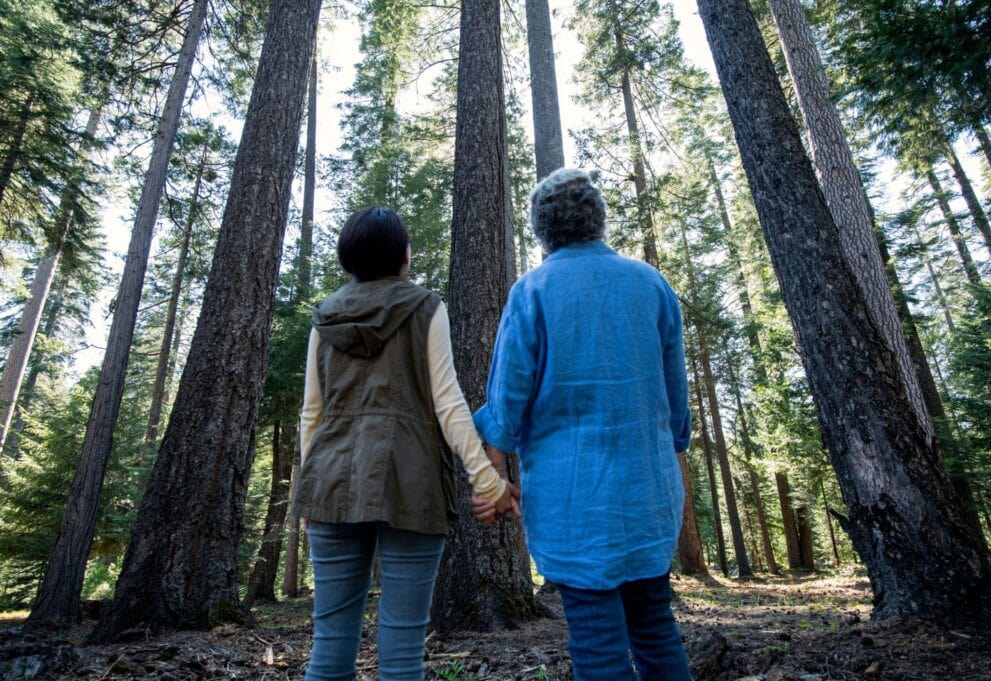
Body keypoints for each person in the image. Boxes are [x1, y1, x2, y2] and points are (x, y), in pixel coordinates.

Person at [471, 168, 694, 681]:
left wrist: (494, 478)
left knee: (597, 643)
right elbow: (676, 399)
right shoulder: (651, 284)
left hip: (574, 501)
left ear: (542, 230)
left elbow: (507, 399)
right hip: (647, 493)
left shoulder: (533, 290)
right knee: (657, 629)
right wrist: (673, 452)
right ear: (599, 221)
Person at [294, 206, 520, 681]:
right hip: (411, 481)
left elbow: (312, 413)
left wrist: (310, 489)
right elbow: (449, 403)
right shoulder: (424, 306)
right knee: (401, 651)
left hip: (331, 480)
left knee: (328, 648)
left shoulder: (324, 317)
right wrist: (489, 480)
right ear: (402, 255)